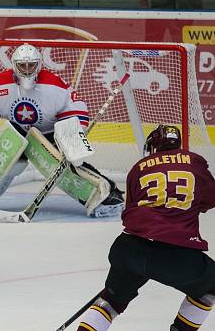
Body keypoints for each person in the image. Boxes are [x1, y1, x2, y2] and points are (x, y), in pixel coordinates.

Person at [0, 43, 124, 218]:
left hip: (49, 135)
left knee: (59, 166)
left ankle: (105, 194)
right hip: (16, 132)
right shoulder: (0, 84)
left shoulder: (54, 86)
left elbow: (76, 108)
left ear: (39, 65)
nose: (26, 70)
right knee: (1, 155)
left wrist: (71, 136)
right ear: (14, 65)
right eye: (22, 65)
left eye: (31, 65)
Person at [76, 124, 215, 331]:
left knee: (110, 303)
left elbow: (130, 210)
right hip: (174, 254)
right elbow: (208, 200)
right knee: (210, 289)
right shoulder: (194, 163)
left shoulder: (138, 168)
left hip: (129, 248)